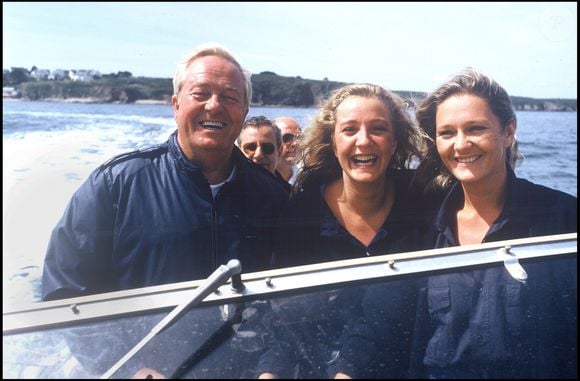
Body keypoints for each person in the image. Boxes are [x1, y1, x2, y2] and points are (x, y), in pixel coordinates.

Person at [41, 42, 289, 301]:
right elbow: (65, 291)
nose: (214, 106)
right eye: (200, 94)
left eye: (229, 97)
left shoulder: (274, 196)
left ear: (244, 111)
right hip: (142, 343)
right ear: (176, 105)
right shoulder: (115, 186)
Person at [405, 68, 577, 378]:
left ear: (509, 132)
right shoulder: (425, 228)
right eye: (447, 133)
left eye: (475, 129)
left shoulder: (564, 218)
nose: (460, 144)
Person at [256, 83, 428, 379]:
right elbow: (287, 320)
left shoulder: (422, 202)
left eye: (378, 129)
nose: (364, 141)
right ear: (334, 144)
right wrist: (269, 372)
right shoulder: (301, 215)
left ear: (394, 143)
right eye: (349, 130)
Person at [273, 116, 302, 185]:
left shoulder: (307, 179)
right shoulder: (259, 178)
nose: (295, 143)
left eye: (299, 138)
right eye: (287, 138)